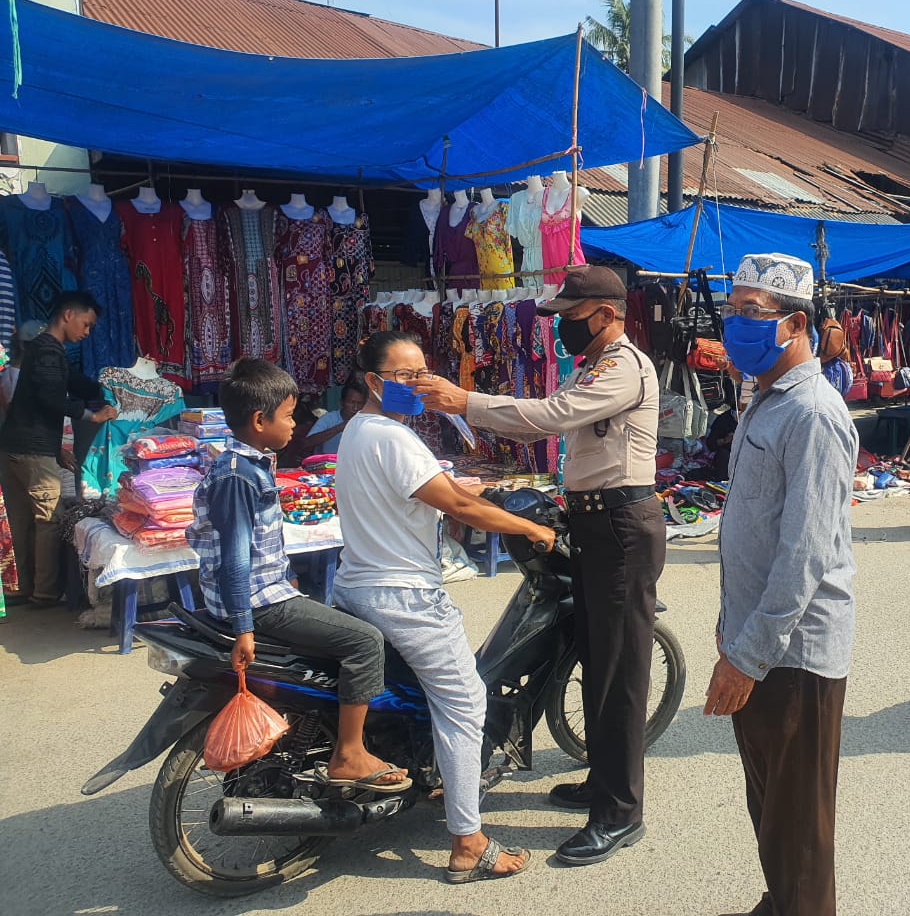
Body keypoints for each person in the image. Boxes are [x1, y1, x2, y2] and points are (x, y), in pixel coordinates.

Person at [419, 265, 664, 867]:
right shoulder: (595, 363)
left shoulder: (624, 367)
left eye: (572, 319)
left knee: (615, 672)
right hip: (593, 520)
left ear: (607, 315)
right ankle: (600, 781)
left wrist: (468, 402)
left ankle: (619, 812)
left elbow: (553, 416)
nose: (562, 332)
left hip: (620, 527)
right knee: (584, 650)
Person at [332, 331, 556, 882]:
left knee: (421, 691)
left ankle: (428, 774)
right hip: (405, 595)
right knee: (464, 700)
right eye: (404, 376)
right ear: (374, 382)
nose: (418, 384)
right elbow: (455, 505)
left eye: (422, 373)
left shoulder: (358, 431)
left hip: (355, 586)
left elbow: (431, 493)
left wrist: (465, 489)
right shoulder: (395, 437)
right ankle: (467, 840)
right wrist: (530, 528)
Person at [706, 253, 857, 916]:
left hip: (790, 655)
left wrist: (747, 656)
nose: (735, 325)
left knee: (798, 830)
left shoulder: (815, 415)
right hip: (758, 640)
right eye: (732, 309)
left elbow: (804, 555)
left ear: (795, 324)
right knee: (773, 810)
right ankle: (784, 902)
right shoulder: (765, 400)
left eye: (750, 313)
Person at [185, 358, 410, 794]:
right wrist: (244, 627)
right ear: (258, 420)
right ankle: (349, 753)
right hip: (259, 605)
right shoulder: (238, 477)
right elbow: (235, 558)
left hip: (264, 594)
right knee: (366, 641)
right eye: (288, 416)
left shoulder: (244, 463)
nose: (294, 425)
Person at [0, 293, 116, 607]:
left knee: (22, 521)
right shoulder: (50, 352)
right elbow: (51, 399)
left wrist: (104, 387)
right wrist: (94, 414)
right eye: (86, 324)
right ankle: (46, 593)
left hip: (15, 448)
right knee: (49, 519)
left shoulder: (41, 350)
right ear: (68, 315)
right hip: (32, 452)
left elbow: (52, 393)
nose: (87, 332)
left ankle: (22, 589)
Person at [301, 377, 367, 456]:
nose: (355, 408)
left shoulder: (366, 421)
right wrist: (339, 428)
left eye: (360, 403)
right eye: (352, 402)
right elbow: (307, 443)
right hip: (328, 465)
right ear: (342, 402)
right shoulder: (329, 419)